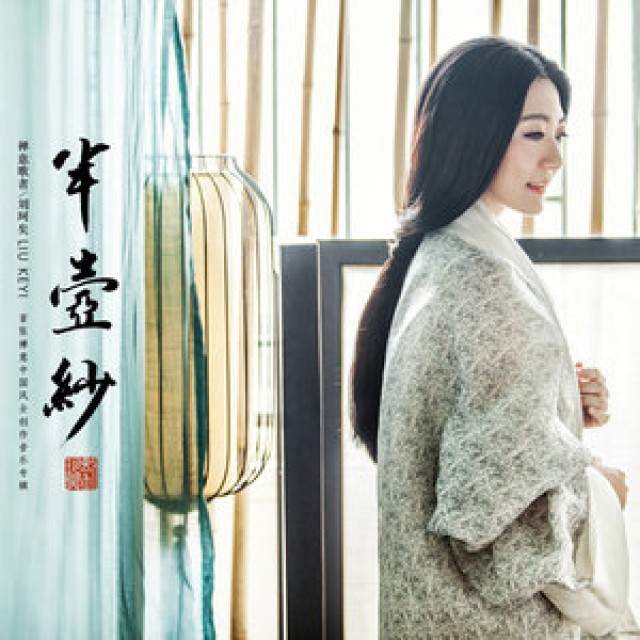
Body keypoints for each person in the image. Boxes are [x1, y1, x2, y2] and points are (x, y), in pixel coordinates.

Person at [350, 37, 630, 639]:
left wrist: (556, 402)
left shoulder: (436, 257)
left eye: (560, 134)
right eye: (534, 134)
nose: (554, 158)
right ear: (472, 134)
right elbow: (490, 521)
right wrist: (599, 488)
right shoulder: (486, 282)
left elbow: (466, 436)